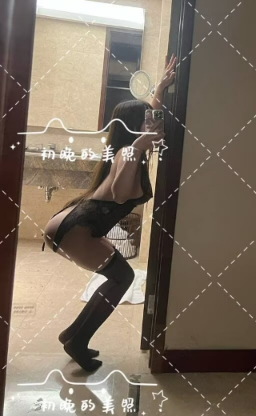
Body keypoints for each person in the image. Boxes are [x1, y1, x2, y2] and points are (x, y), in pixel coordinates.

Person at [43, 56, 176, 371]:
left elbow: (145, 122)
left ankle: (73, 334)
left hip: (77, 223)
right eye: (146, 121)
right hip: (76, 229)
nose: (153, 125)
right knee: (123, 277)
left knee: (119, 277)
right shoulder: (129, 152)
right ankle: (77, 340)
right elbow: (118, 194)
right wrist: (140, 146)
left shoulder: (129, 150)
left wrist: (160, 89)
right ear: (133, 128)